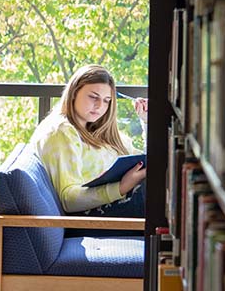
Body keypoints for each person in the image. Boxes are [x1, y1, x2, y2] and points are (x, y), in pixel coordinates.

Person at [29, 64, 148, 217]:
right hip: (91, 218)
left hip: (118, 205)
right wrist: (122, 187)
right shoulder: (61, 131)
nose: (99, 106)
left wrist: (146, 122)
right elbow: (68, 199)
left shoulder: (93, 129)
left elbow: (144, 161)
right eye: (93, 97)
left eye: (106, 101)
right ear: (74, 93)